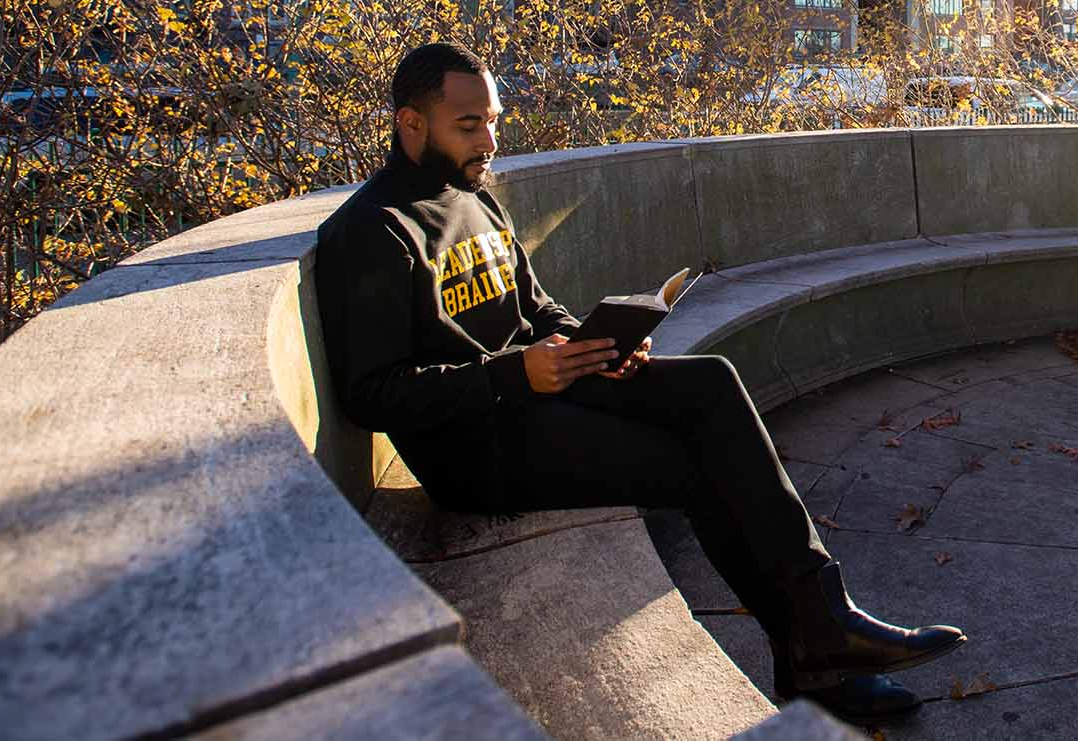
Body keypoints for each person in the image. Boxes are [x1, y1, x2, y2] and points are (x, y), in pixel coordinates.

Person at [316, 41, 965, 722]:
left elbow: (537, 310)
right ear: (410, 124)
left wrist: (598, 342)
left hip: (540, 390)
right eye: (469, 125)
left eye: (494, 119)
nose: (490, 140)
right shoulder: (372, 231)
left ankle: (824, 615)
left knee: (711, 381)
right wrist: (514, 371)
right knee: (687, 464)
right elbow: (373, 393)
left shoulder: (478, 197)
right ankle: (815, 656)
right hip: (478, 448)